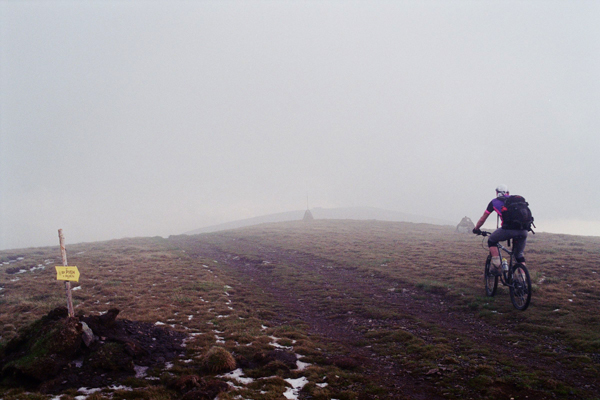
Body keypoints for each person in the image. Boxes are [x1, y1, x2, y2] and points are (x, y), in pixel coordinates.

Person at [472, 184, 528, 275]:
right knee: (519, 256)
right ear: (508, 192)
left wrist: (476, 228)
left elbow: (483, 218)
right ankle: (523, 281)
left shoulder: (494, 202)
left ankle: (497, 266)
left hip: (508, 230)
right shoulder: (517, 201)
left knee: (492, 240)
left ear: (497, 193)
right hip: (524, 230)